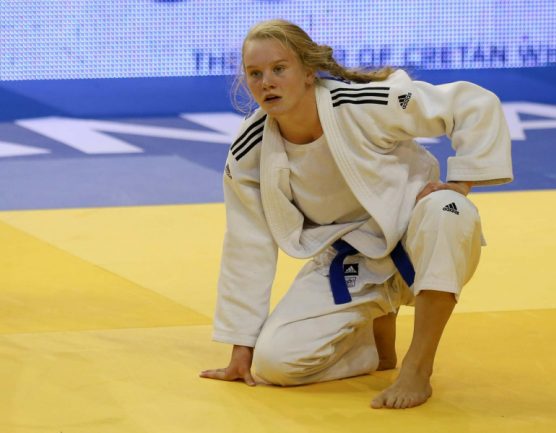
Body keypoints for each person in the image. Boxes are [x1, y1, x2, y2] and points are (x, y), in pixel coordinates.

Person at [200, 19, 513, 409]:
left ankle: (418, 367)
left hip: (420, 238)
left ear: (308, 72)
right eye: (255, 74)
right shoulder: (251, 148)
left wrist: (461, 183)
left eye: (279, 69)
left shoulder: (361, 105)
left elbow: (472, 103)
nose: (267, 83)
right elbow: (248, 243)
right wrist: (241, 345)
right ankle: (372, 342)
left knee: (450, 210)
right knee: (275, 364)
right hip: (350, 262)